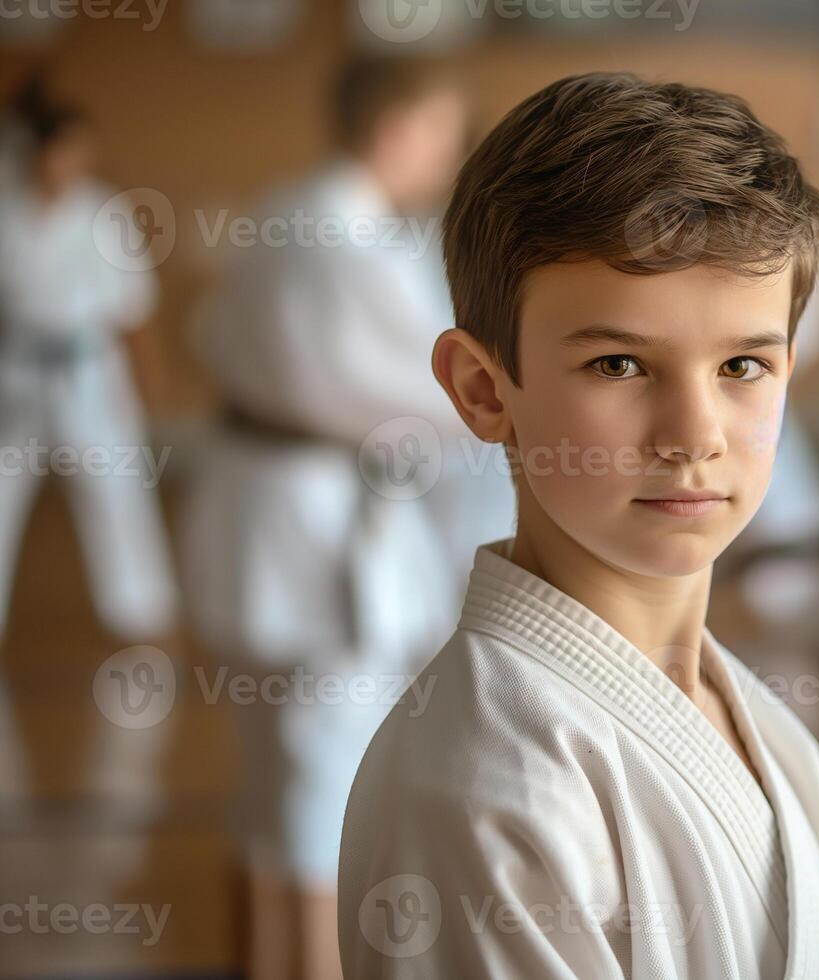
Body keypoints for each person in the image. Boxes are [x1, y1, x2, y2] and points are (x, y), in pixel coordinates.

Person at [337, 73, 819, 978]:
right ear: (481, 388)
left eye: (743, 364)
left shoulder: (769, 731)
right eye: (619, 364)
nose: (694, 436)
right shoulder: (484, 785)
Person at [179, 57, 512, 980]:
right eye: (445, 131)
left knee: (270, 780)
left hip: (267, 511)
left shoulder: (289, 211)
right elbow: (433, 394)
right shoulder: (345, 240)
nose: (449, 153)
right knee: (324, 785)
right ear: (401, 125)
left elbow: (212, 337)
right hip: (311, 533)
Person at [0, 74, 177, 644]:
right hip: (20, 371)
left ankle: (140, 616)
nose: (75, 163)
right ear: (39, 152)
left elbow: (134, 312)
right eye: (64, 152)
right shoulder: (8, 209)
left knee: (116, 492)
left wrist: (150, 385)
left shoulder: (105, 213)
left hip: (89, 373)